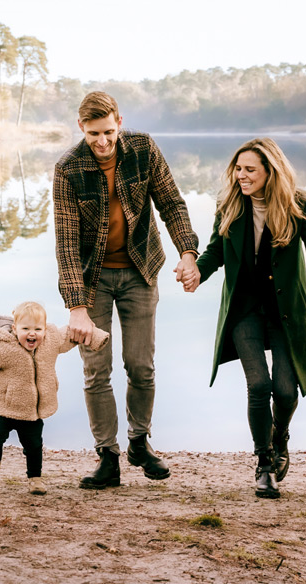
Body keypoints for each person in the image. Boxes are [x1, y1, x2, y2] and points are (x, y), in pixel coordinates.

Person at [54, 91, 199, 489]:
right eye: (93, 134)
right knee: (95, 371)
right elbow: (66, 243)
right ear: (81, 128)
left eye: (107, 132)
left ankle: (139, 442)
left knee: (141, 366)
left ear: (119, 121)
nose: (101, 142)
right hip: (92, 279)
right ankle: (108, 456)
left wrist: (188, 253)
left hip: (140, 270)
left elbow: (171, 203)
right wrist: (76, 307)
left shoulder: (142, 148)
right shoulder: (68, 168)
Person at [190, 137, 306, 499]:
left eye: (249, 170)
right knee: (259, 385)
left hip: (286, 313)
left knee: (287, 391)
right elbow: (215, 251)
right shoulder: (229, 203)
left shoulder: (297, 205)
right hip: (244, 310)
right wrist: (197, 272)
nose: (241, 176)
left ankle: (280, 438)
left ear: (269, 172)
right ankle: (263, 464)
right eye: (238, 169)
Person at [0, 301, 109, 495]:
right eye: (25, 328)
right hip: (6, 407)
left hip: (33, 411)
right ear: (14, 328)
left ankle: (35, 478)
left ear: (45, 329)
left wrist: (97, 336)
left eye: (37, 328)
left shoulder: (51, 341)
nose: (32, 333)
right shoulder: (4, 348)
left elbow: (72, 333)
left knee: (33, 447)